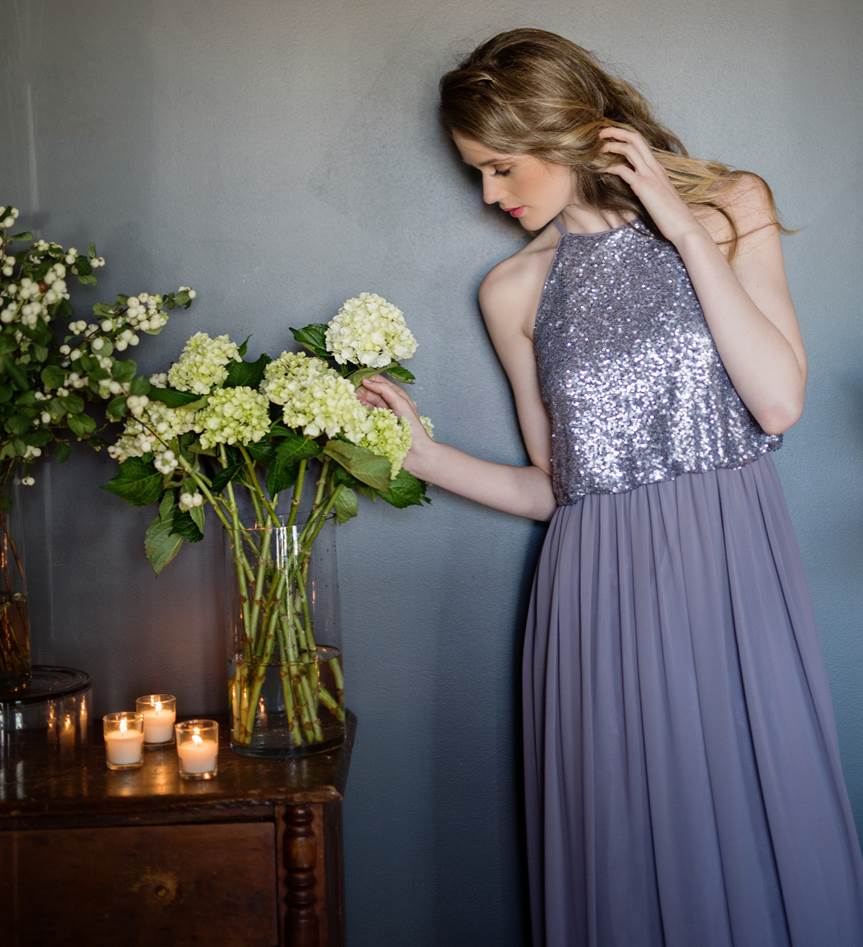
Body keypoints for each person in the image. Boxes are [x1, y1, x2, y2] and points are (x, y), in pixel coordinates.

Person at [355, 27, 863, 947]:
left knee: (757, 817)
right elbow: (555, 488)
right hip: (596, 596)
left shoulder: (727, 206)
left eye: (501, 167)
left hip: (729, 572)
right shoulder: (511, 289)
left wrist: (676, 225)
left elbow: (777, 400)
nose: (489, 194)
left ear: (559, 134)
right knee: (627, 846)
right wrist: (421, 454)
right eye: (476, 172)